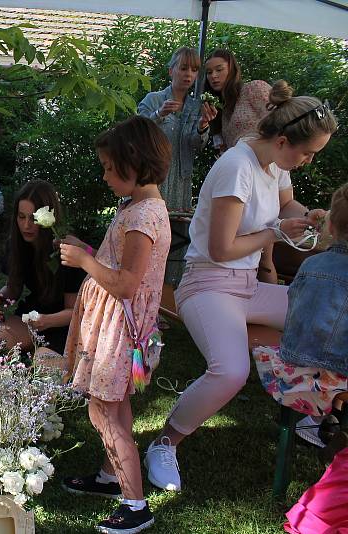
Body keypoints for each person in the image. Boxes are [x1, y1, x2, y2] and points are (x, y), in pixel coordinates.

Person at [144, 82, 338, 493]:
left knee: (330, 314)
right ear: (283, 140)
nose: (306, 161)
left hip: (246, 286)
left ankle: (311, 410)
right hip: (207, 285)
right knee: (231, 371)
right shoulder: (237, 166)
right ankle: (164, 443)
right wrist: (274, 233)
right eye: (306, 153)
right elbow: (221, 247)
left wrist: (313, 218)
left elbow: (287, 208)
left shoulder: (276, 164)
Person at [60, 115, 172, 534]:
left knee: (103, 412)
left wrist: (85, 262)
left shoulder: (143, 217)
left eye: (110, 167)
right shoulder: (140, 208)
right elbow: (122, 265)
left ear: (136, 163)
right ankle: (111, 478)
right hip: (119, 327)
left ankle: (136, 504)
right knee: (116, 404)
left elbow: (126, 284)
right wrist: (88, 249)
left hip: (117, 330)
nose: (105, 175)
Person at [253, 182, 348, 447]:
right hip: (334, 369)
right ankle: (320, 421)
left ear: (331, 228)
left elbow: (293, 304)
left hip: (294, 358)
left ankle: (322, 419)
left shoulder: (312, 263)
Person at [204, 49, 280, 282]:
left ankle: (266, 301)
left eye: (219, 69)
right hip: (242, 176)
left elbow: (282, 118)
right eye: (208, 73)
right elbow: (222, 148)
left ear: (233, 68)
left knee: (266, 257)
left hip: (269, 168)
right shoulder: (221, 109)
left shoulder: (253, 89)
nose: (214, 76)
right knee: (246, 243)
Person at [0, 180, 84, 355]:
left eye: (33, 218)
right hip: (33, 314)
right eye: (21, 216)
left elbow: (75, 311)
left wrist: (46, 321)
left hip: (63, 323)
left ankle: (45, 351)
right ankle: (30, 346)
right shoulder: (16, 245)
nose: (26, 225)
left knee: (46, 367)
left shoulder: (66, 251)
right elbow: (13, 288)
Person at [138, 47, 217, 210]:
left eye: (194, 70)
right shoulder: (153, 100)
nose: (189, 74)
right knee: (148, 221)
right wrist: (159, 113)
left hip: (181, 180)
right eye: (183, 68)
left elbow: (197, 145)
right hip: (152, 176)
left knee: (176, 228)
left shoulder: (196, 106)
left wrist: (203, 125)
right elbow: (138, 133)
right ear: (170, 71)